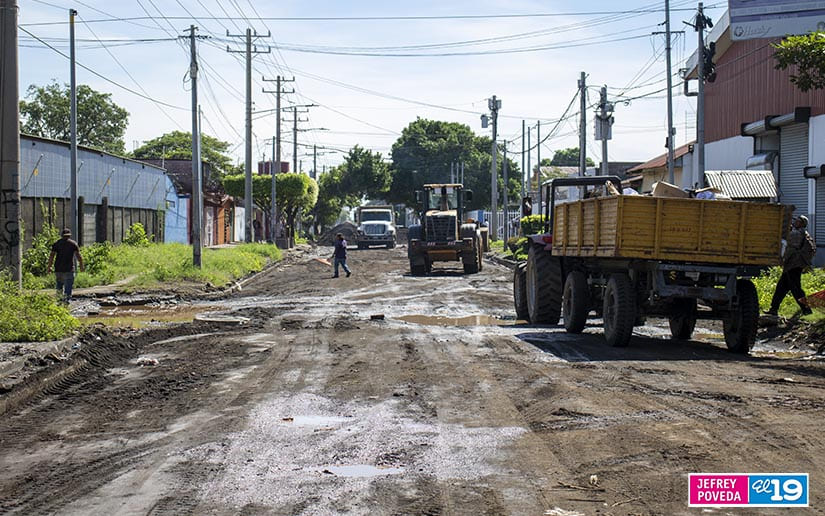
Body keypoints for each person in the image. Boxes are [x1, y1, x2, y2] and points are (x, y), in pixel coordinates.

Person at [767, 215, 816, 316]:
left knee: (796, 288)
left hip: (794, 265)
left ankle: (807, 310)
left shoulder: (797, 233)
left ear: (801, 224)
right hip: (792, 265)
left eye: (797, 221)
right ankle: (773, 309)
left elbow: (789, 245)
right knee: (781, 287)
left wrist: (783, 260)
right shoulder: (800, 233)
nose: (795, 222)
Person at [46, 227, 84, 303]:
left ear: (61, 235)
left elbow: (51, 256)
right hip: (69, 269)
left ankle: (59, 303)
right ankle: (66, 304)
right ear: (69, 236)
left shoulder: (56, 244)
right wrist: (81, 266)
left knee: (59, 287)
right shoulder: (73, 244)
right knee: (68, 288)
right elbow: (79, 256)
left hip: (58, 269)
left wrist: (49, 267)